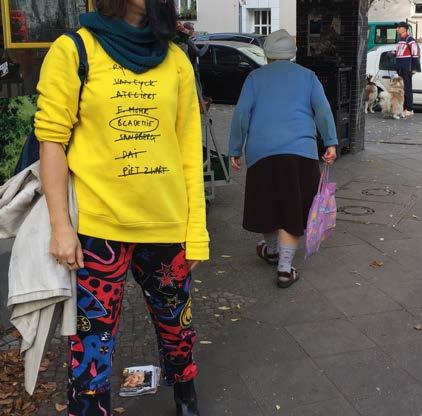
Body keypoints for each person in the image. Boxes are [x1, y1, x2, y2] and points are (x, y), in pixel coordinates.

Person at [34, 1, 209, 415]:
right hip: (98, 231)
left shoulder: (176, 60)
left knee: (177, 328)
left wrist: (196, 232)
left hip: (167, 226)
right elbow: (51, 140)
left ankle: (185, 393)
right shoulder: (74, 50)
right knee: (90, 345)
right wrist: (61, 226)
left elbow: (188, 151)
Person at [228, 29, 338, 289]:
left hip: (262, 153)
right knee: (292, 209)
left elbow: (241, 114)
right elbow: (322, 111)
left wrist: (235, 149)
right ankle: (285, 269)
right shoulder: (308, 77)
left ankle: (272, 249)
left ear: (267, 54)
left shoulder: (255, 78)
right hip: (301, 153)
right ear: (292, 54)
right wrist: (330, 142)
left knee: (267, 205)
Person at [395, 21, 420, 117]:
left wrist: (414, 68)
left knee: (407, 89)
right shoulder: (400, 40)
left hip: (407, 68)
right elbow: (399, 52)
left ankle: (409, 109)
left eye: (398, 27)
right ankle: (404, 108)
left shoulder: (410, 39)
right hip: (400, 68)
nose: (397, 29)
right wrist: (393, 53)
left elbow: (415, 54)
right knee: (402, 89)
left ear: (404, 29)